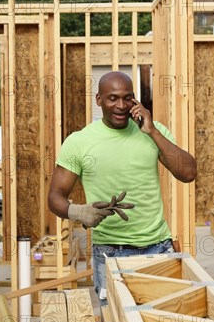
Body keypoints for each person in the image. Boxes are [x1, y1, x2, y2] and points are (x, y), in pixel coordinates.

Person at [47, 71, 197, 305]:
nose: (121, 105)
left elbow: (188, 174)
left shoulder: (152, 132)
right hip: (110, 252)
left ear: (135, 101)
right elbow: (55, 196)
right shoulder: (79, 141)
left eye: (127, 98)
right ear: (99, 100)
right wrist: (79, 212)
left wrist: (153, 132)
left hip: (158, 247)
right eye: (112, 98)